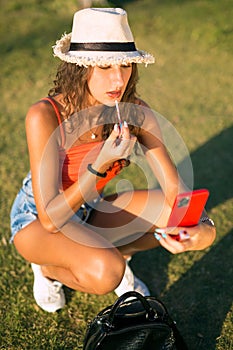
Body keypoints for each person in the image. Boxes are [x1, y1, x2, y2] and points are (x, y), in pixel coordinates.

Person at [10, 7, 216, 313]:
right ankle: (47, 269)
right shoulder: (44, 115)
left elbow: (178, 193)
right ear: (80, 67)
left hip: (90, 206)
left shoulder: (136, 112)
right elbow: (51, 219)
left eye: (125, 65)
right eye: (105, 66)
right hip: (38, 220)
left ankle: (109, 251)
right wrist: (99, 165)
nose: (118, 79)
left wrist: (197, 233)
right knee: (107, 270)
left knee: (185, 218)